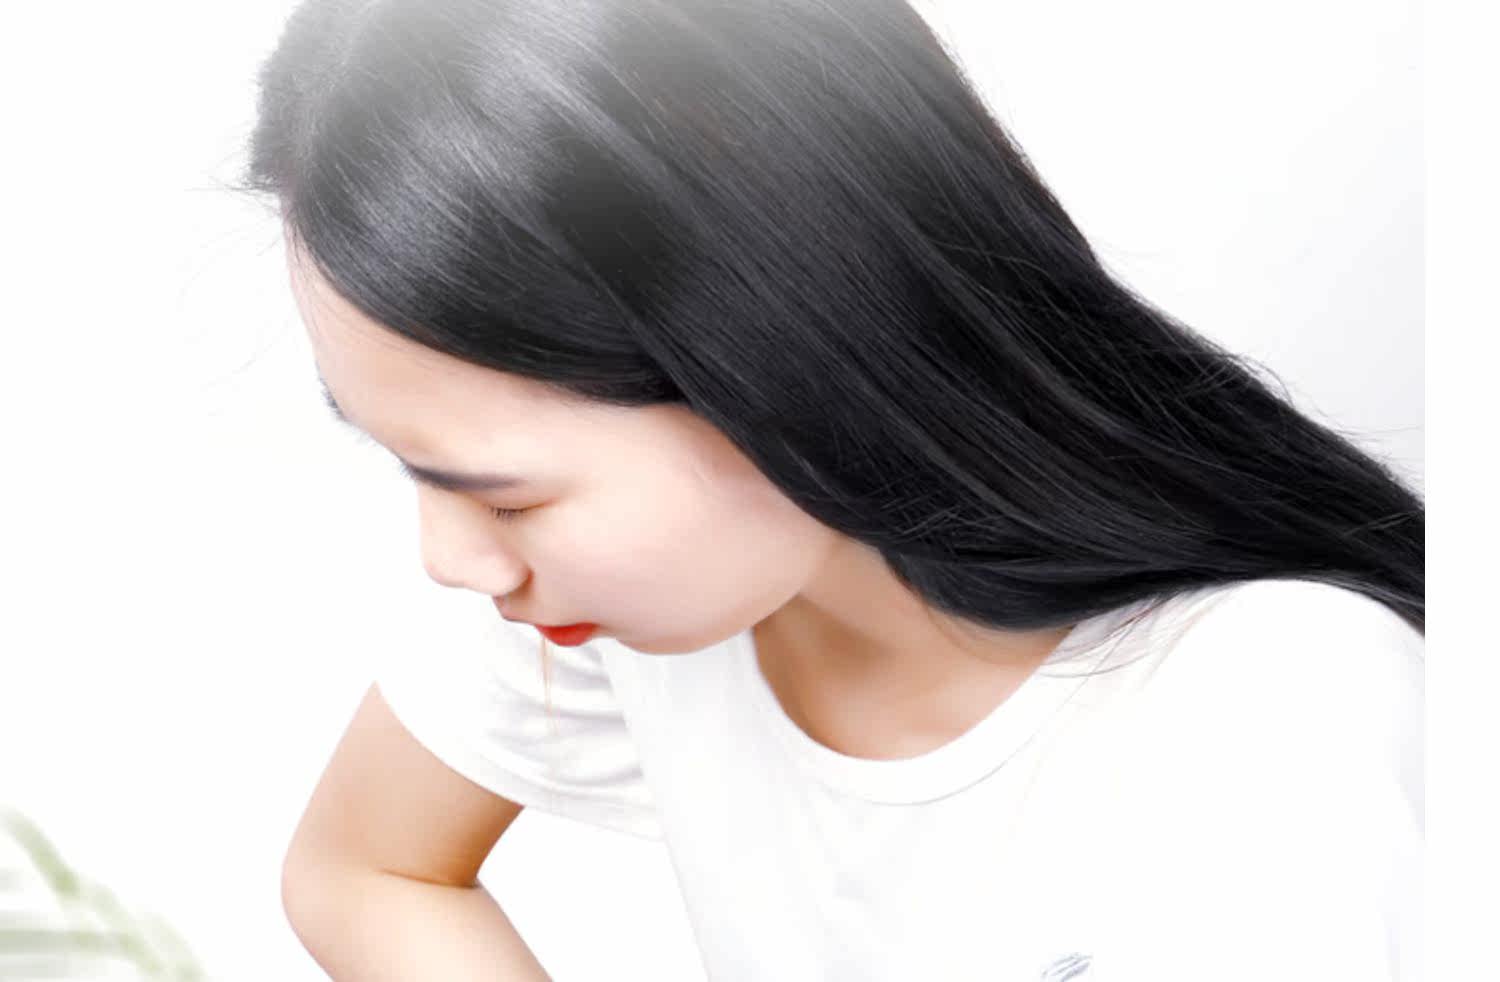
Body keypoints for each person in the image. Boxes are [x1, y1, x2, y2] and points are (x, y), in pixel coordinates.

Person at [240, 1, 1424, 979]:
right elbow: (361, 869)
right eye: (412, 466)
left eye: (507, 499)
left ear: (778, 356)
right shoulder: (621, 606)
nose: (451, 558)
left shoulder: (1274, 709)